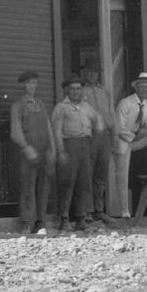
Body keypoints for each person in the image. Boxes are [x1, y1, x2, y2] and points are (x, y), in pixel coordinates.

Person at [51, 74, 106, 232]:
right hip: (69, 146)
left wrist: (94, 144)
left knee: (84, 183)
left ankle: (81, 218)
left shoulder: (87, 107)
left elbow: (99, 122)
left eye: (78, 89)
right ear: (67, 90)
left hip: (85, 146)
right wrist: (61, 151)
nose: (75, 92)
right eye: (72, 89)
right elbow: (56, 131)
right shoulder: (61, 107)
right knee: (67, 183)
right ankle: (64, 219)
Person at [113, 72, 147, 216]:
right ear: (136, 88)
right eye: (141, 87)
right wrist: (133, 136)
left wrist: (146, 130)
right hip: (124, 141)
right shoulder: (126, 103)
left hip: (137, 140)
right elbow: (118, 127)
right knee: (122, 176)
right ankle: (124, 210)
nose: (144, 90)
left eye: (146, 87)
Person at [9, 71, 55, 234]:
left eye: (34, 83)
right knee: (28, 187)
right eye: (29, 83)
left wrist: (51, 149)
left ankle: (40, 222)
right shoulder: (18, 105)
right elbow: (16, 131)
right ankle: (27, 222)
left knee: (43, 187)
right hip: (28, 153)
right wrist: (27, 149)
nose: (32, 86)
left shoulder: (41, 104)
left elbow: (48, 128)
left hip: (43, 150)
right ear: (23, 85)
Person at [78, 64, 117, 221]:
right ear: (84, 73)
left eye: (94, 71)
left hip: (104, 136)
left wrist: (114, 136)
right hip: (90, 135)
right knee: (87, 172)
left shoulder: (104, 91)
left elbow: (111, 113)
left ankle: (99, 210)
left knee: (101, 173)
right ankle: (87, 211)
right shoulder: (80, 90)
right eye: (89, 71)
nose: (92, 74)